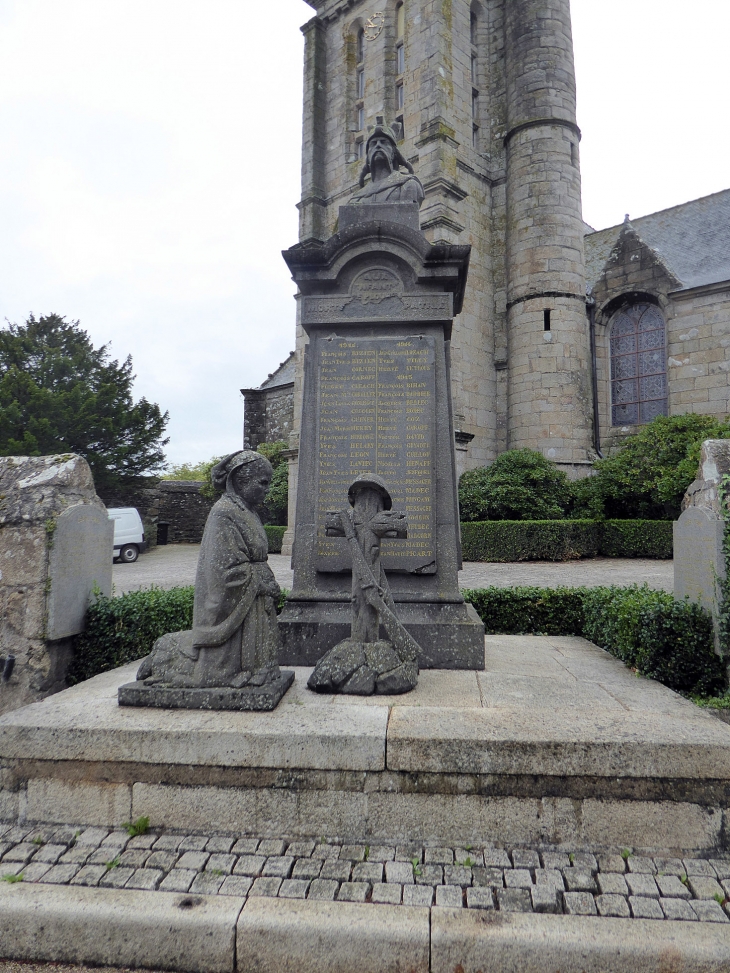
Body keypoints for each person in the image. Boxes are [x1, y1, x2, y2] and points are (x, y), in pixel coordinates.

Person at [189, 451, 282, 688]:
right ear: (241, 481)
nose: (267, 489)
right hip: (245, 602)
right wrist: (259, 579)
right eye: (263, 482)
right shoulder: (224, 513)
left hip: (257, 603)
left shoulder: (247, 511)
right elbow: (223, 573)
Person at [350, 117, 425, 206]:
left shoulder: (409, 185)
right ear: (368, 155)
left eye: (384, 142)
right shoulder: (356, 199)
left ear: (394, 153)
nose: (378, 145)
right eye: (373, 143)